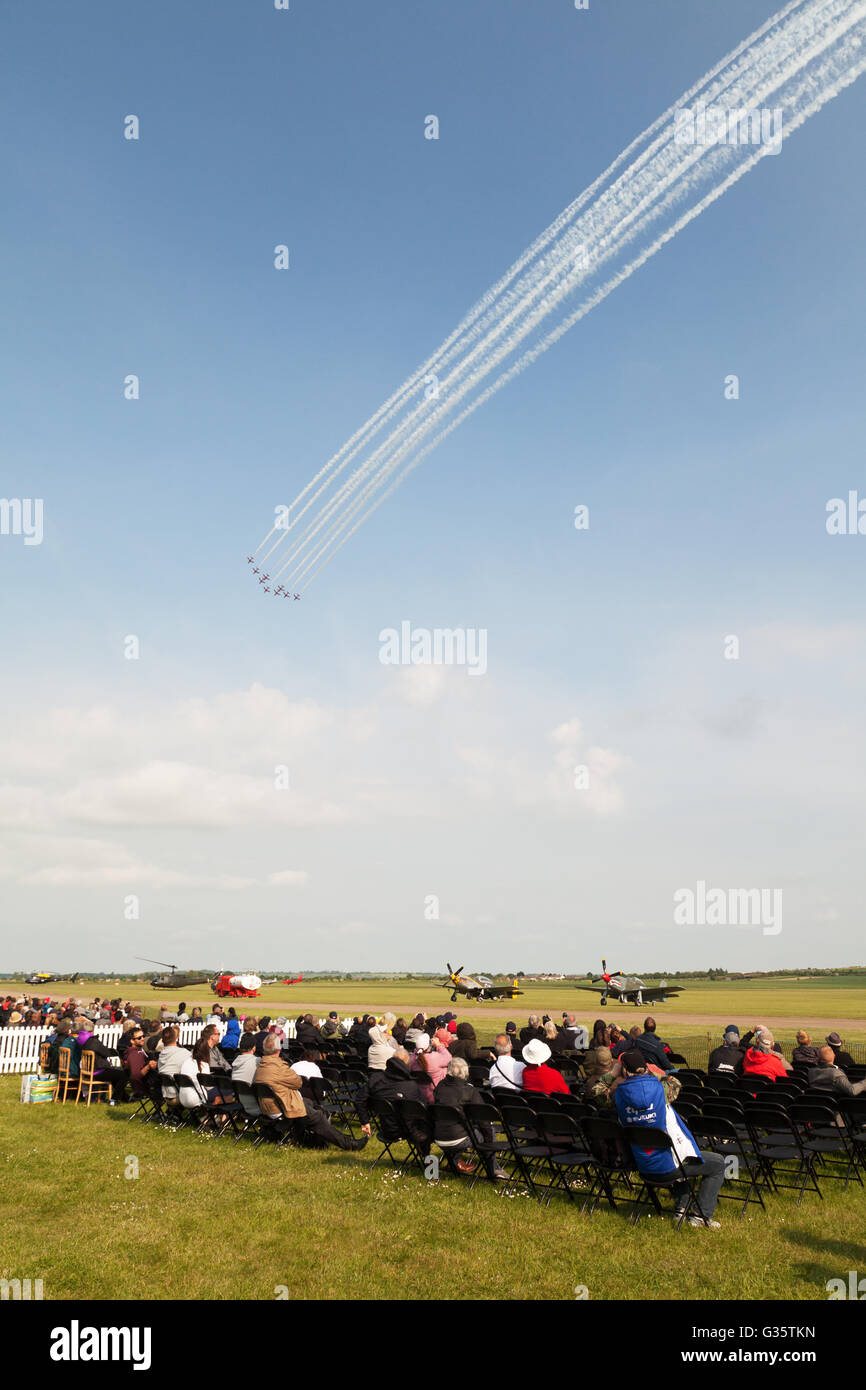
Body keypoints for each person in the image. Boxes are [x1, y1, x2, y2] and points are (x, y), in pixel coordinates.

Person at [614, 1049, 725, 1228]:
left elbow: (597, 1090)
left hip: (643, 1165)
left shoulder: (618, 1096)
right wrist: (649, 1072)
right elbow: (674, 1081)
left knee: (674, 1152)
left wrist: (612, 1074)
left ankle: (681, 1208)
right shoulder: (661, 1090)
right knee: (718, 1163)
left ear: (624, 1071)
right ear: (644, 1068)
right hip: (669, 1167)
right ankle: (700, 1216)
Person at [255, 1036, 366, 1150]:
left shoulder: (261, 1066)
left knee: (309, 1103)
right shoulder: (278, 1067)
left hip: (268, 1108)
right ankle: (349, 1144)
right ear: (279, 1050)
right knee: (317, 1116)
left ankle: (304, 1137)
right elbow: (298, 1082)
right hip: (284, 1107)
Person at [432, 1057, 508, 1180]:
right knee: (488, 1130)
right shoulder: (469, 1090)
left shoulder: (440, 1087)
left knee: (470, 1127)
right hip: (457, 1138)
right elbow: (483, 1119)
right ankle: (493, 1168)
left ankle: (453, 1161)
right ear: (465, 1073)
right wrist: (489, 1143)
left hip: (438, 1136)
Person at [353, 1048, 431, 1153]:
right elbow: (422, 1111)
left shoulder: (376, 1079)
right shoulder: (410, 1086)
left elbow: (359, 1099)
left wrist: (365, 1121)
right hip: (407, 1131)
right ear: (406, 1065)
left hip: (386, 1129)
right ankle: (428, 1160)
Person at [78, 1029, 128, 1103]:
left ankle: (125, 1098)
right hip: (98, 1072)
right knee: (123, 1075)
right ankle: (113, 1100)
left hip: (88, 1072)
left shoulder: (84, 1045)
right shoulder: (94, 1042)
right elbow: (106, 1053)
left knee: (116, 1076)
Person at [124, 1026, 157, 1097]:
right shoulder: (135, 1054)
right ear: (132, 1041)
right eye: (139, 1038)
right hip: (144, 1090)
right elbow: (135, 1076)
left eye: (143, 1036)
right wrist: (148, 1066)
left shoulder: (139, 1050)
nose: (142, 1039)